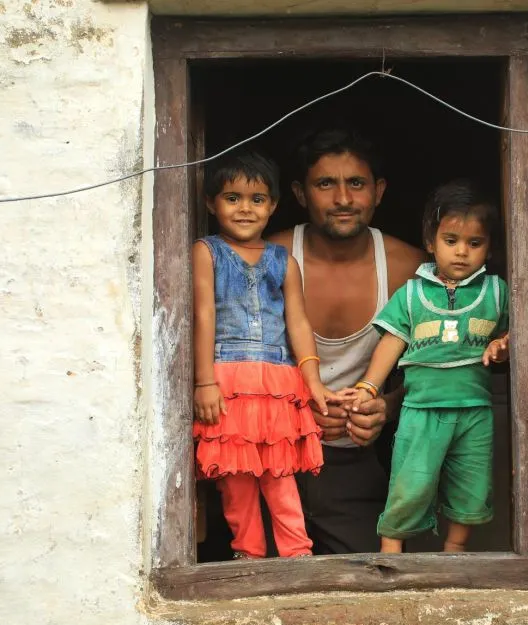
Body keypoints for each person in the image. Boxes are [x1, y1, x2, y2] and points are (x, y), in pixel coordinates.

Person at [268, 129, 426, 554]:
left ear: (378, 191)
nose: (342, 198)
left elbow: (444, 366)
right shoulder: (268, 257)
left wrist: (385, 409)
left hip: (357, 463)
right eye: (325, 184)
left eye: (356, 183)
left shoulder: (408, 267)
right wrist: (298, 408)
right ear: (300, 193)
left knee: (371, 586)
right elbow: (227, 350)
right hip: (271, 457)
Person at [350, 180, 510, 553]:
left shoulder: (498, 292)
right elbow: (392, 341)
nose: (461, 252)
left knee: (472, 484)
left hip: (474, 411)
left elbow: (516, 335)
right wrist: (369, 387)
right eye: (451, 240)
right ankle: (391, 553)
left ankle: (454, 551)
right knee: (410, 481)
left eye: (475, 243)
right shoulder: (411, 294)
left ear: (489, 247)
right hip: (419, 410)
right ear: (430, 241)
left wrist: (504, 345)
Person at [192, 151, 337, 559]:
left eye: (257, 199)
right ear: (211, 204)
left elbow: (299, 324)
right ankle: (248, 554)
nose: (245, 208)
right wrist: (204, 382)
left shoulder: (283, 260)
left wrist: (313, 383)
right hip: (228, 381)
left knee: (279, 475)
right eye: (232, 197)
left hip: (277, 382)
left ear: (273, 205)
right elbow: (202, 315)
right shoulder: (206, 252)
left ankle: (296, 554)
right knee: (236, 478)